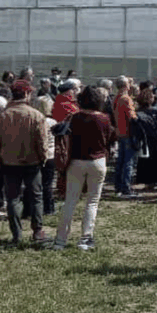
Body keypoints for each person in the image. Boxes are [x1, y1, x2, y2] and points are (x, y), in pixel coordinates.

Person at [54, 86, 116, 251]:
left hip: (76, 161)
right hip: (98, 161)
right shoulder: (104, 118)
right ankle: (85, 238)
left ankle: (60, 240)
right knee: (92, 202)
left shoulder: (74, 118)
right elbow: (111, 138)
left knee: (70, 201)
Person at [0, 79, 50, 245]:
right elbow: (42, 141)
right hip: (32, 162)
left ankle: (17, 234)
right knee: (36, 196)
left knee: (13, 199)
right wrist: (43, 158)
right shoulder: (36, 115)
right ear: (27, 94)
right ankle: (37, 231)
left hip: (9, 162)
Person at [112, 77, 137, 197]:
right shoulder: (126, 99)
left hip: (119, 132)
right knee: (128, 162)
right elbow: (132, 116)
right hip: (127, 132)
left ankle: (118, 186)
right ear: (126, 85)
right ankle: (126, 188)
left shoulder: (116, 98)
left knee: (121, 162)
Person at [33, 95, 57, 215]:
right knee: (48, 183)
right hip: (51, 154)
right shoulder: (52, 122)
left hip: (37, 154)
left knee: (36, 183)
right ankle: (49, 207)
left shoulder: (35, 121)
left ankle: (36, 206)